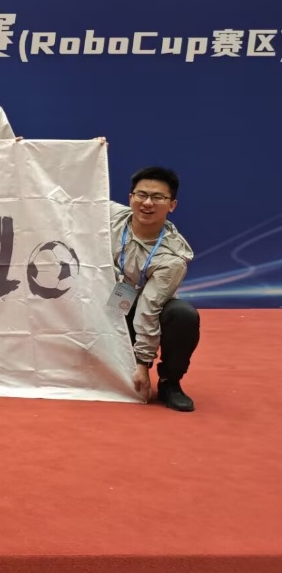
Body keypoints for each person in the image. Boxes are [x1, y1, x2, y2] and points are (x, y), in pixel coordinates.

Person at [111, 166, 199, 412]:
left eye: (158, 197)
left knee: (183, 315)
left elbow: (148, 309)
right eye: (141, 195)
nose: (147, 203)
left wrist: (142, 363)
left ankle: (170, 382)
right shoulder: (110, 217)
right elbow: (74, 197)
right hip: (113, 299)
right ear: (130, 197)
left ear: (172, 205)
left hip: (145, 310)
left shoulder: (172, 258)